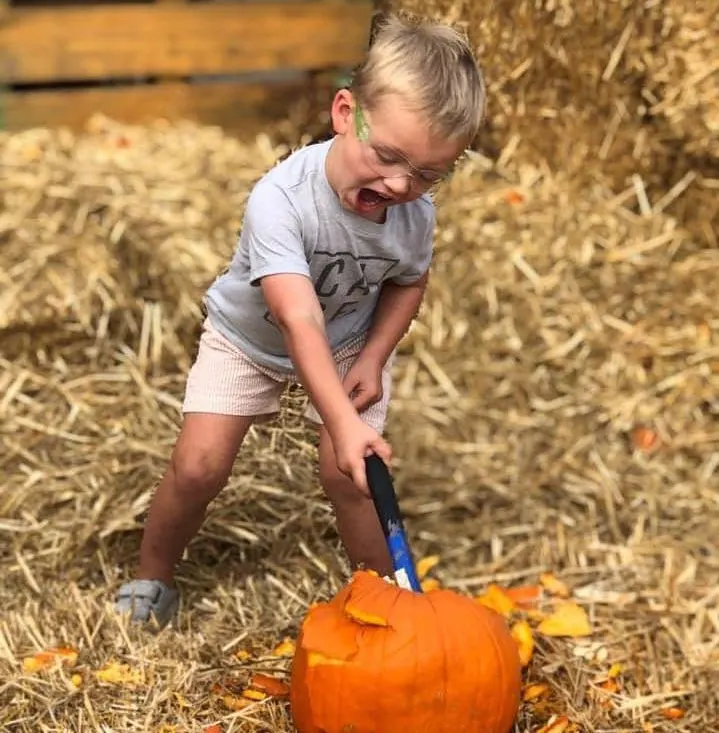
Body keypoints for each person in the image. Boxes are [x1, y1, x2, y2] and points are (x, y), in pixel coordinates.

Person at [114, 12, 487, 627]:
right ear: (346, 113)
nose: (400, 183)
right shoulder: (280, 200)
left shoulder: (415, 212)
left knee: (352, 477)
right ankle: (152, 577)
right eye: (389, 156)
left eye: (428, 174)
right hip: (251, 339)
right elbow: (297, 321)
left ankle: (389, 605)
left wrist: (372, 356)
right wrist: (344, 423)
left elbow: (408, 280)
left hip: (348, 340)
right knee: (199, 464)